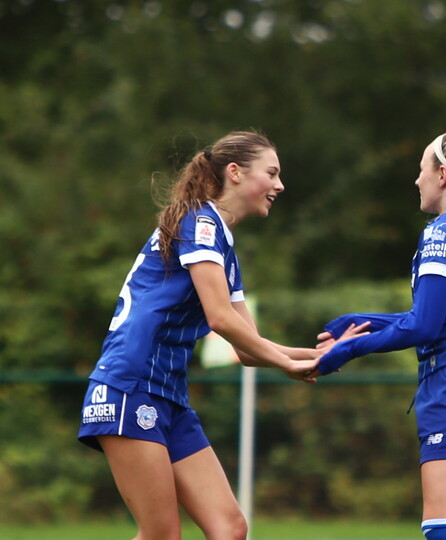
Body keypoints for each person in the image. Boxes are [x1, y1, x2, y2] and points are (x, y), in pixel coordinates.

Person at [77, 131, 365, 540]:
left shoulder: (220, 242)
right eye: (272, 173)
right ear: (235, 172)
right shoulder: (200, 222)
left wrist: (322, 353)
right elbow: (220, 320)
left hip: (169, 396)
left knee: (229, 528)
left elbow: (247, 344)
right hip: (129, 387)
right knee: (160, 533)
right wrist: (285, 364)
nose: (280, 185)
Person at [314, 125, 446, 540]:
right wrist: (368, 320)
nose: (417, 180)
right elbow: (442, 316)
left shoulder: (443, 232)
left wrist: (349, 349)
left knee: (444, 526)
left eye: (421, 170)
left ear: (443, 175)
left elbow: (424, 326)